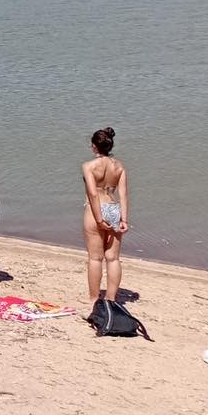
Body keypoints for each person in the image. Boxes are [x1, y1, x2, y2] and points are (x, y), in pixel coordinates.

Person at [82, 126, 129, 303]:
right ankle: (111, 298)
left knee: (95, 258)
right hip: (113, 207)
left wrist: (99, 219)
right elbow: (123, 194)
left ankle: (94, 299)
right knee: (113, 258)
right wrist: (124, 219)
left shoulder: (89, 166)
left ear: (94, 146)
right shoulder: (119, 167)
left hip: (95, 210)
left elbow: (93, 193)